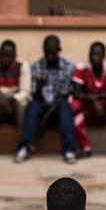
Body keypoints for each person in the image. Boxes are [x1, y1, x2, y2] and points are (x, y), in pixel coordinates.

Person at [15, 35, 77, 164]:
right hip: (41, 102)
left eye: (52, 53)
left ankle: (69, 150)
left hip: (58, 103)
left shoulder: (69, 67)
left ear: (59, 50)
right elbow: (36, 96)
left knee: (65, 107)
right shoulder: (35, 67)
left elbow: (63, 96)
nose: (49, 56)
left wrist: (43, 121)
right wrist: (39, 86)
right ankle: (25, 147)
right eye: (47, 52)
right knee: (32, 106)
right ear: (43, 50)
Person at [71, 41, 106, 159]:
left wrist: (99, 97)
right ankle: (84, 147)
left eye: (97, 55)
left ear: (103, 57)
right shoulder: (82, 67)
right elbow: (76, 94)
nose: (94, 58)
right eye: (92, 54)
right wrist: (94, 102)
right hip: (90, 108)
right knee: (74, 105)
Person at [0, 40, 31, 157]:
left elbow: (25, 91)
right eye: (3, 55)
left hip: (15, 99)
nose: (6, 59)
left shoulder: (22, 65)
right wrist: (0, 100)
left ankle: (22, 145)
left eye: (9, 56)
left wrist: (11, 100)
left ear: (15, 56)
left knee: (23, 105)